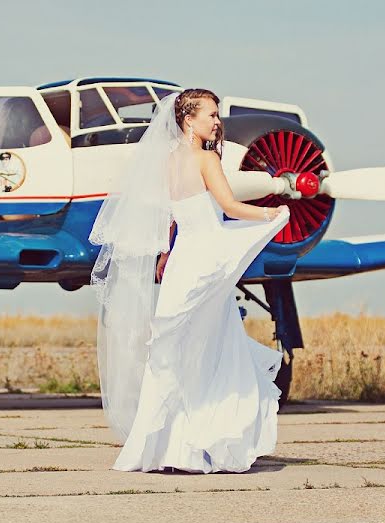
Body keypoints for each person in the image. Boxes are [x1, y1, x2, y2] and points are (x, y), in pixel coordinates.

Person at [88, 89, 290, 473]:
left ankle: (166, 447)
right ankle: (202, 441)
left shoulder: (166, 163)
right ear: (188, 120)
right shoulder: (206, 158)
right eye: (210, 115)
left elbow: (170, 214)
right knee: (212, 345)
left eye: (216, 115)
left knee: (174, 350)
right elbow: (229, 207)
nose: (216, 122)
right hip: (208, 256)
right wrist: (273, 213)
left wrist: (165, 253)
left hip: (183, 261)